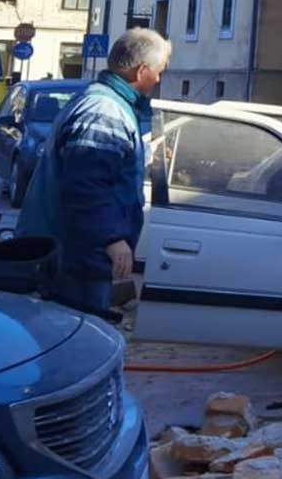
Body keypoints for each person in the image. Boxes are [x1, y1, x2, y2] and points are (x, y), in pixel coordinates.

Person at [16, 27, 169, 319]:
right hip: (74, 259)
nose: (159, 79)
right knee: (74, 347)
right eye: (159, 72)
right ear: (142, 71)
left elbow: (94, 167)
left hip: (72, 254)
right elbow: (85, 185)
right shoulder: (105, 111)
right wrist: (111, 239)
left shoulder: (103, 102)